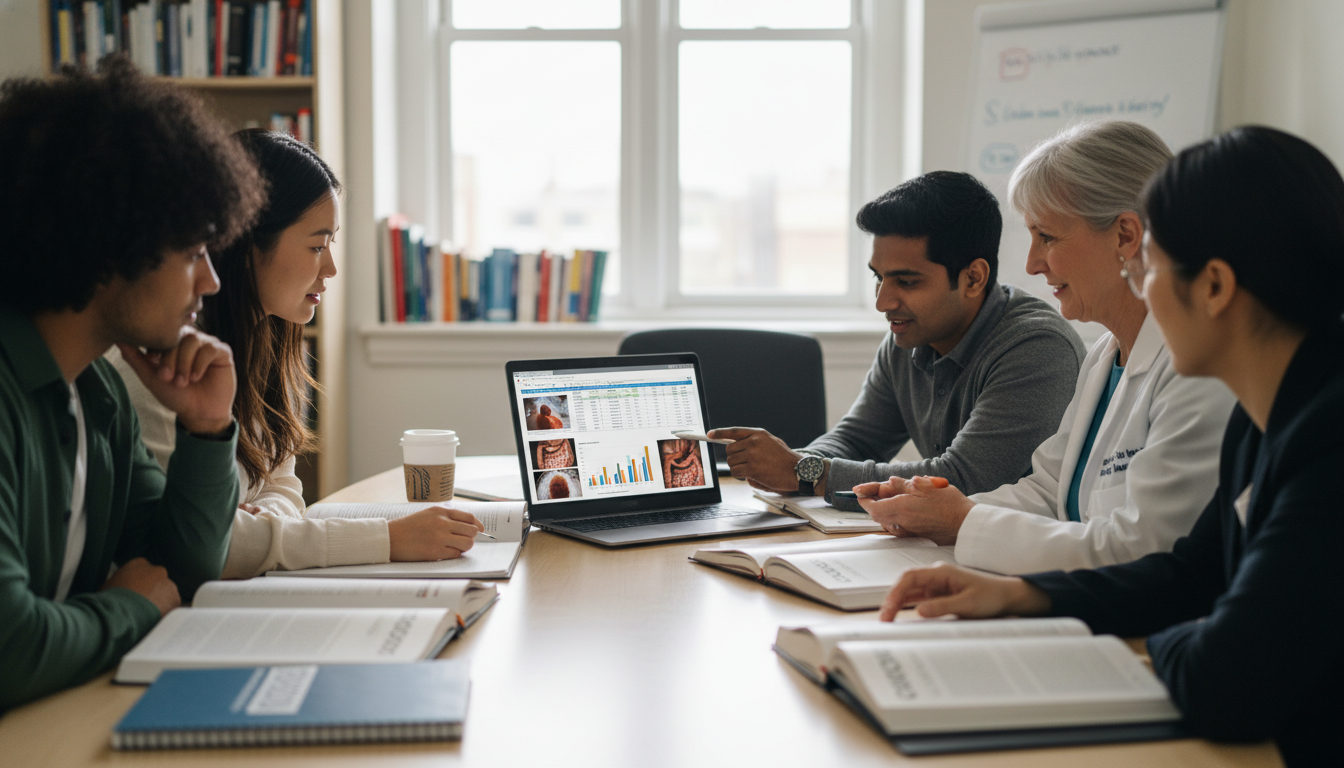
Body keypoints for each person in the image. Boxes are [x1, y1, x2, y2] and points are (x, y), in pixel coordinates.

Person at [876, 126, 1344, 767]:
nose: (1141, 286)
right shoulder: (1265, 417)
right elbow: (1189, 574)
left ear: (1212, 286)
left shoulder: (1325, 438)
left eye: (1150, 266)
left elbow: (1223, 676)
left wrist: (1192, 629)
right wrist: (1025, 596)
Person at [857, 122, 1237, 574]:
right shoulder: (1103, 357)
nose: (1032, 264)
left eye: (1048, 237)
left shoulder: (1198, 371)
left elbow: (1144, 548)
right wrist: (937, 512)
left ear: (1125, 237)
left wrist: (964, 521)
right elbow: (1047, 491)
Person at [0, 60, 265, 707]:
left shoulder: (98, 392)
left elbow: (183, 572)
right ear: (112, 243)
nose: (211, 282)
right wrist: (130, 610)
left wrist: (207, 428)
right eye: (194, 252)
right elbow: (10, 649)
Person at [110, 129, 483, 579]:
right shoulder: (163, 371)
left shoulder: (268, 346)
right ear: (246, 245)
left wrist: (263, 520)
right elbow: (209, 545)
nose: (330, 268)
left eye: (331, 244)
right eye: (315, 246)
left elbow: (285, 486)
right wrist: (388, 539)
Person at [711, 171, 1085, 507]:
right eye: (879, 277)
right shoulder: (908, 339)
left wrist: (803, 471)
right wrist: (790, 465)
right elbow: (856, 440)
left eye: (906, 282)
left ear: (973, 278)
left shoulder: (1038, 348)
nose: (882, 302)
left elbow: (964, 480)